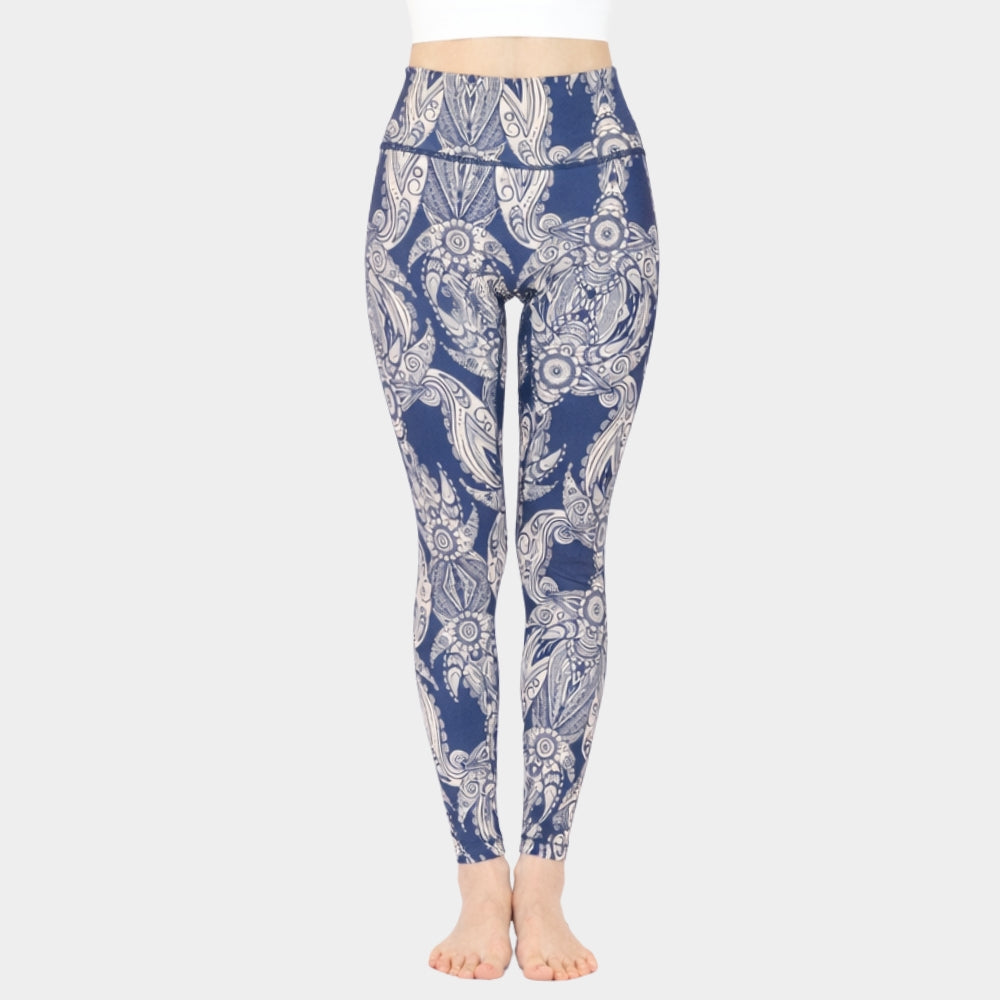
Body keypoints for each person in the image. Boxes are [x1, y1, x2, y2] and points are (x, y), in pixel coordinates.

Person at [363, 0, 660, 981]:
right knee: (456, 545)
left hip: (595, 171)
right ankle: (477, 875)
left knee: (567, 544)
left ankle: (545, 873)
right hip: (430, 168)